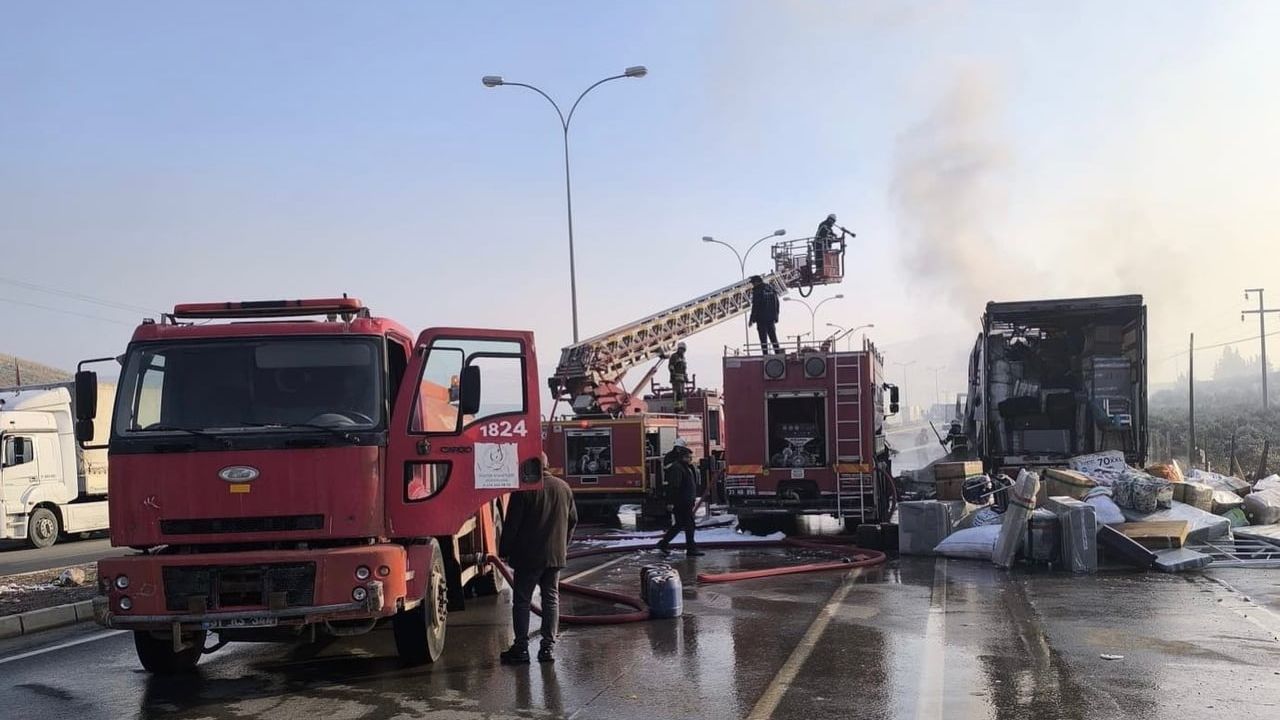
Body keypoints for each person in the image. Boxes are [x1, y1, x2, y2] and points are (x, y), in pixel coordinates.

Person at [498, 455, 578, 664]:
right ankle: (548, 649)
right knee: (551, 599)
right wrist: (563, 546)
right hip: (554, 557)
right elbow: (573, 521)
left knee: (522, 601)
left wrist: (504, 550)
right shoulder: (564, 488)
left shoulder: (523, 491)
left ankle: (521, 648)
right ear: (547, 465)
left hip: (527, 557)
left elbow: (511, 526)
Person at [656, 443, 704, 556]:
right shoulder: (677, 469)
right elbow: (674, 487)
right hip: (682, 502)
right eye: (688, 457)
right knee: (689, 525)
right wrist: (671, 502)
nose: (690, 459)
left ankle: (663, 544)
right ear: (682, 457)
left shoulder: (685, 467)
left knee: (680, 524)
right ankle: (691, 549)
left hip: (686, 501)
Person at [748, 275, 783, 354]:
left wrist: (751, 319)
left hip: (761, 319)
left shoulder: (758, 291)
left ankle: (765, 355)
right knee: (773, 337)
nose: (753, 285)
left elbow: (755, 306)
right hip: (771, 318)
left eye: (753, 283)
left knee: (763, 339)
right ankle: (778, 353)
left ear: (757, 282)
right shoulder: (771, 289)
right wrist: (776, 316)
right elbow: (777, 303)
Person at [668, 342, 688, 411]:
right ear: (679, 349)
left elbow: (684, 369)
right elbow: (671, 366)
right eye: (681, 349)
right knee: (677, 393)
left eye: (683, 350)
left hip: (682, 379)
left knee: (681, 394)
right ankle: (676, 408)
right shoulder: (674, 356)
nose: (682, 351)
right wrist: (672, 373)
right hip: (676, 379)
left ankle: (680, 407)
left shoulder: (683, 358)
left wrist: (686, 377)